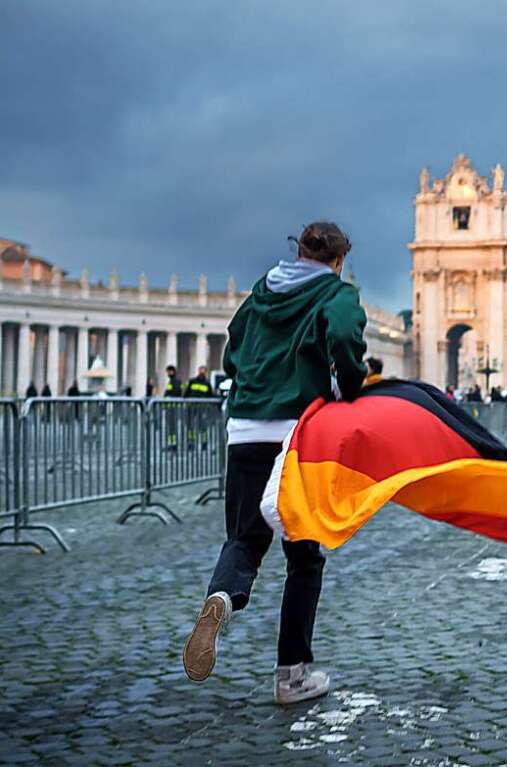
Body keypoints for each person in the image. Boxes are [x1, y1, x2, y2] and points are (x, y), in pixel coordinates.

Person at [183, 221, 367, 705]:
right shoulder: (336, 293)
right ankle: (291, 675)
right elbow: (347, 341)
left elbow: (232, 350)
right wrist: (348, 389)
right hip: (297, 433)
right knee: (304, 557)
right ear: (338, 261)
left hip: (244, 428)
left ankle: (221, 598)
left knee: (243, 537)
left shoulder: (262, 291)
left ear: (297, 252)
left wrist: (249, 382)